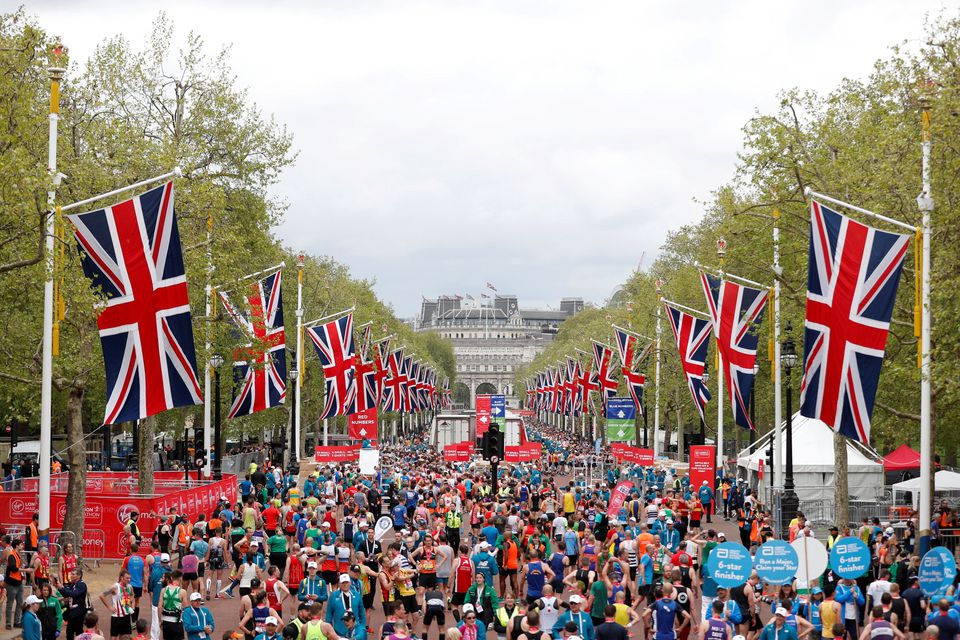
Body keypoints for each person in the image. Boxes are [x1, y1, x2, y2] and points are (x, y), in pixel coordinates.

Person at [326, 574, 367, 640]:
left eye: (346, 582)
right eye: (343, 583)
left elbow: (362, 613)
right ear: (339, 584)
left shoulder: (357, 595)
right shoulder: (333, 596)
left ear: (350, 583)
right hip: (339, 633)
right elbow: (329, 615)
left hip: (355, 632)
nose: (345, 584)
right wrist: (330, 632)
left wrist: (362, 627)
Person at [100, 570, 136, 640]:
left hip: (126, 615)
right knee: (114, 637)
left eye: (130, 578)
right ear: (122, 578)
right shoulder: (115, 587)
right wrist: (109, 607)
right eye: (127, 578)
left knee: (125, 637)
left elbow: (132, 594)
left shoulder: (130, 587)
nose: (129, 580)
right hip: (117, 616)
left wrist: (130, 602)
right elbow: (102, 595)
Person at [60, 568, 90, 640]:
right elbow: (66, 595)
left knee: (78, 633)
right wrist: (60, 588)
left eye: (73, 574)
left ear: (78, 576)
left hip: (79, 613)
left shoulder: (81, 585)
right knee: (69, 633)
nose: (71, 576)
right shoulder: (73, 584)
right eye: (71, 574)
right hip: (72, 613)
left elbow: (73, 594)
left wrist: (62, 588)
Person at [5, 537, 26, 629]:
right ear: (17, 545)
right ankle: (8, 623)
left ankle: (17, 621)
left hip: (19, 582)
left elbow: (19, 566)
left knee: (20, 603)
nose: (23, 545)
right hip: (11, 583)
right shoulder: (11, 555)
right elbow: (13, 568)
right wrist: (25, 569)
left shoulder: (18, 554)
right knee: (10, 603)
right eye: (21, 544)